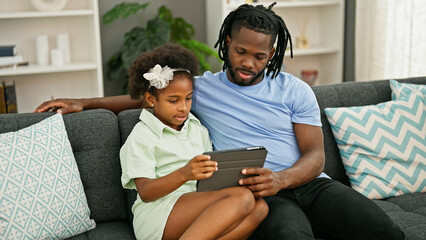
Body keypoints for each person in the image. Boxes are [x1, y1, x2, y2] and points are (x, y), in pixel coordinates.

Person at [35, 3, 404, 240]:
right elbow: (150, 94)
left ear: (272, 53)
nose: (248, 63)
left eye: (259, 56)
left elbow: (315, 157)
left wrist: (282, 178)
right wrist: (84, 101)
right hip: (256, 192)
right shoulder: (203, 89)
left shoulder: (296, 91)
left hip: (307, 184)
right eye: (241, 51)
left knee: (384, 231)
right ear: (227, 42)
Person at [119, 43, 268, 240]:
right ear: (150, 99)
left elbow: (207, 179)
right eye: (174, 100)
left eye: (188, 99)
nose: (183, 108)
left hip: (195, 204)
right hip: (159, 213)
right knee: (243, 198)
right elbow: (146, 192)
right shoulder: (142, 135)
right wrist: (185, 173)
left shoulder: (197, 129)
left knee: (260, 207)